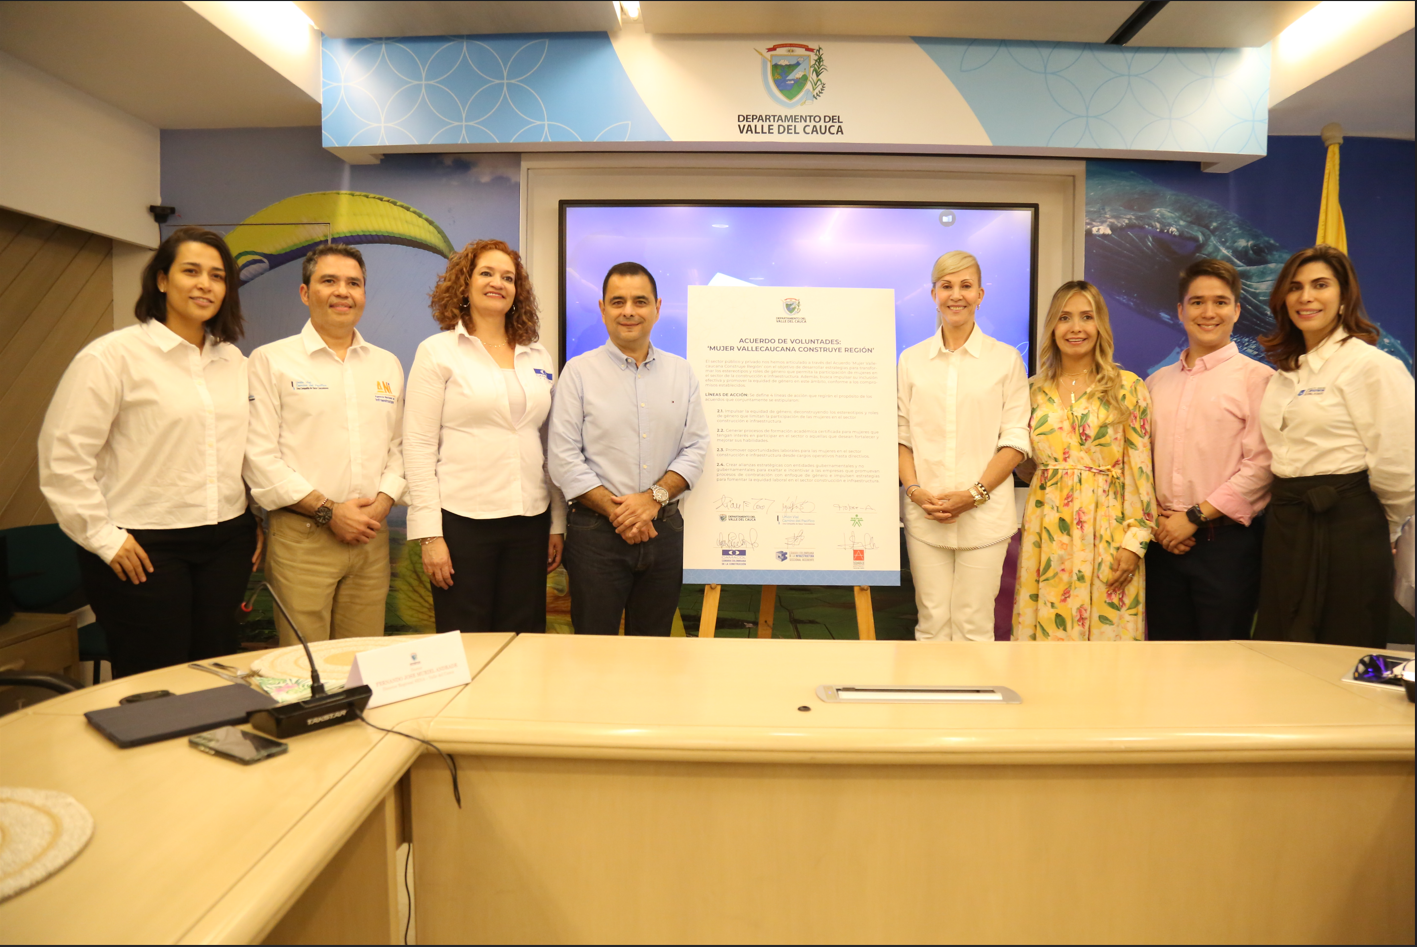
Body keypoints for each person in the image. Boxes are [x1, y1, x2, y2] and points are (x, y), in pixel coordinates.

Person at [37, 227, 260, 676]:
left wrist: (252, 518)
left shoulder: (233, 361)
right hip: (143, 545)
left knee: (217, 669)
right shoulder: (112, 357)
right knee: (154, 679)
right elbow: (62, 459)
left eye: (217, 276)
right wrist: (103, 537)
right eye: (191, 271)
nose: (205, 284)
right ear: (161, 280)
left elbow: (243, 451)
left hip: (226, 542)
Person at [243, 245, 405, 646]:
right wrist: (329, 511)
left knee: (361, 659)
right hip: (303, 539)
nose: (342, 291)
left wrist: (382, 504)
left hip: (371, 536)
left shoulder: (386, 364)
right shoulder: (270, 361)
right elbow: (258, 457)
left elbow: (400, 447)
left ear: (364, 294)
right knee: (304, 664)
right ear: (305, 292)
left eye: (354, 283)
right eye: (329, 281)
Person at [1255, 245, 1414, 648]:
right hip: (1287, 525)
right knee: (1279, 651)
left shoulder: (1372, 366)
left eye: (1320, 285)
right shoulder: (1284, 373)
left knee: (1342, 651)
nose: (1305, 297)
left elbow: (1401, 463)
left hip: (1348, 528)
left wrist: (1384, 528)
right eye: (1295, 287)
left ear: (1345, 297)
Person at [404, 239, 565, 633]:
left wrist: (557, 522)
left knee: (524, 641)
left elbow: (550, 445)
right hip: (463, 522)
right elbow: (419, 445)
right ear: (465, 283)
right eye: (487, 273)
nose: (498, 283)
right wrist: (429, 536)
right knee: (467, 641)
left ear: (517, 291)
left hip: (530, 521)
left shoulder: (538, 355)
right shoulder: (438, 351)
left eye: (508, 278)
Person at [548, 262, 710, 636]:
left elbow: (696, 447)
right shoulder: (578, 372)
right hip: (595, 535)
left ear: (657, 307)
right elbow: (563, 456)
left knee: (654, 649)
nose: (629, 311)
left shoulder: (682, 373)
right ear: (603, 308)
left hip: (663, 532)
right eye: (618, 301)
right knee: (594, 650)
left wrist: (652, 500)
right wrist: (621, 512)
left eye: (640, 301)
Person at [898, 250, 1030, 641]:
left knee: (974, 625)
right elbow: (901, 436)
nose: (956, 295)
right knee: (932, 622)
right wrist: (915, 492)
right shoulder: (910, 361)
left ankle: (975, 688)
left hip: (985, 518)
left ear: (980, 295)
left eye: (966, 286)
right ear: (933, 294)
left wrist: (974, 495)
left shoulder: (1006, 360)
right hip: (925, 515)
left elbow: (1015, 440)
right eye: (947, 286)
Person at [1013, 281, 1155, 641]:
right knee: (1047, 635)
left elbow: (1139, 472)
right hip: (1046, 533)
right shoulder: (1031, 391)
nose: (1075, 328)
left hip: (1109, 532)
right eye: (1065, 318)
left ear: (1100, 324)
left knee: (1107, 639)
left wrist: (1135, 542)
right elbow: (1024, 465)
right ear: (1052, 327)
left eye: (1086, 317)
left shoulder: (1128, 388)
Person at [1144, 259, 1274, 640]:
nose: (1208, 312)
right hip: (1163, 543)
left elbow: (1262, 467)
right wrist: (1160, 520)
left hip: (1226, 548)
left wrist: (1195, 517)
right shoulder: (1154, 383)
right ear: (1180, 310)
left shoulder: (1259, 379)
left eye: (1220, 302)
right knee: (1166, 661)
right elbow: (1137, 464)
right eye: (1197, 302)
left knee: (1223, 662)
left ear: (1237, 310)